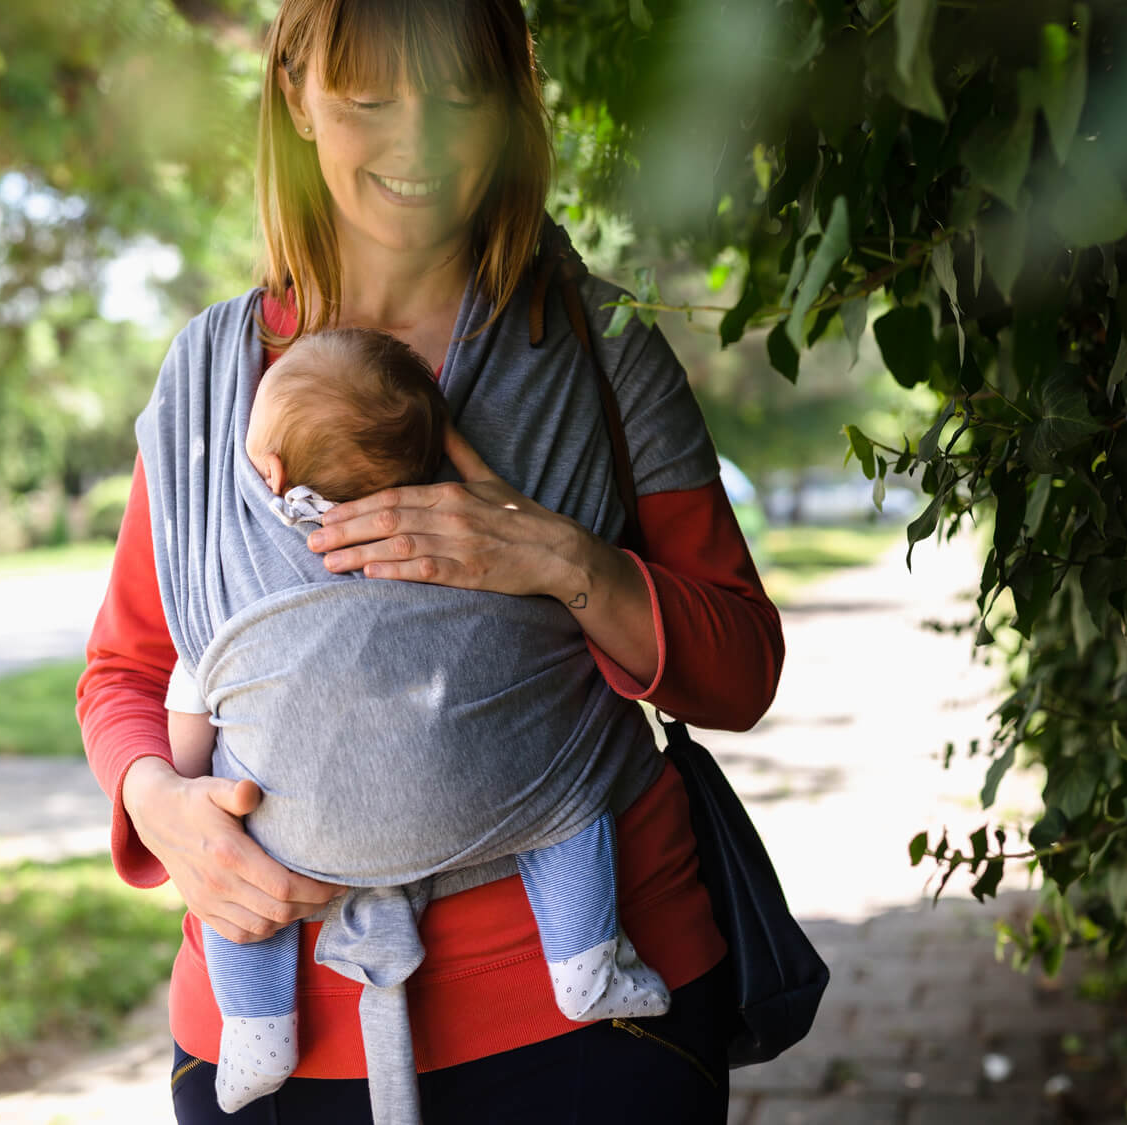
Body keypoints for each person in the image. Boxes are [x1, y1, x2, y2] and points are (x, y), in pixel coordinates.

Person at [76, 1, 784, 1121]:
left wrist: (563, 560)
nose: (421, 145)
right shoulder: (209, 381)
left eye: (460, 99)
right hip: (276, 1033)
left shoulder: (600, 352)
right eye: (368, 101)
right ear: (297, 93)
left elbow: (740, 668)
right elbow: (126, 672)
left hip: (596, 1019)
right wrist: (161, 805)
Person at [162, 324, 670, 1112]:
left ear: (269, 473)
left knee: (240, 874)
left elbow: (191, 706)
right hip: (494, 803)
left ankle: (258, 1029)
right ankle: (585, 964)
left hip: (302, 831)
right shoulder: (465, 537)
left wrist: (180, 780)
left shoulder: (237, 569)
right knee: (567, 790)